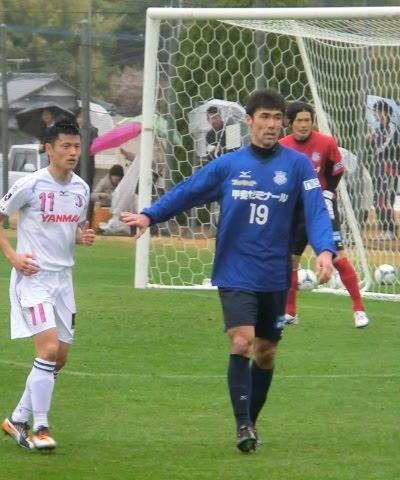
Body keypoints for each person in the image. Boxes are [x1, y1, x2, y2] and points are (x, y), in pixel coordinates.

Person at [122, 89, 335, 453]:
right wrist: (149, 215)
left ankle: (250, 421)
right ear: (249, 121)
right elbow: (189, 191)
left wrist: (325, 250)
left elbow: (316, 209)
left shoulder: (298, 166)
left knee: (266, 352)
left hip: (274, 273)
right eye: (264, 117)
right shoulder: (229, 165)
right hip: (235, 269)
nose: (271, 124)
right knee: (241, 341)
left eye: (276, 118)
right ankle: (243, 426)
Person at [0, 121, 95, 451]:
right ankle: (41, 427)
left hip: (63, 281)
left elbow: (71, 229)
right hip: (33, 279)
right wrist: (13, 257)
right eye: (65, 146)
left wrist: (82, 237)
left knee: (58, 358)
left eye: (76, 147)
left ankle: (17, 418)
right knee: (47, 350)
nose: (73, 153)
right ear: (49, 149)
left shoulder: (82, 189)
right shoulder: (30, 184)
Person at [280, 102, 369, 328]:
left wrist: (328, 193)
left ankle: (359, 310)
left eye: (307, 120)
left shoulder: (326, 142)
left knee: (337, 256)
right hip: (295, 210)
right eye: (299, 120)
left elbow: (336, 171)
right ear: (290, 123)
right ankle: (290, 312)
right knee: (291, 260)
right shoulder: (282, 147)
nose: (304, 125)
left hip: (322, 206)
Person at [368, 100, 399, 240]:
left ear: (382, 113)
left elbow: (389, 147)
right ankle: (384, 228)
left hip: (390, 167)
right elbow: (373, 149)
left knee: (386, 198)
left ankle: (390, 230)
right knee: (377, 198)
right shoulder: (378, 129)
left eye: (375, 111)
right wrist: (370, 140)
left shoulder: (392, 128)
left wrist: (376, 148)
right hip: (379, 166)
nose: (374, 114)